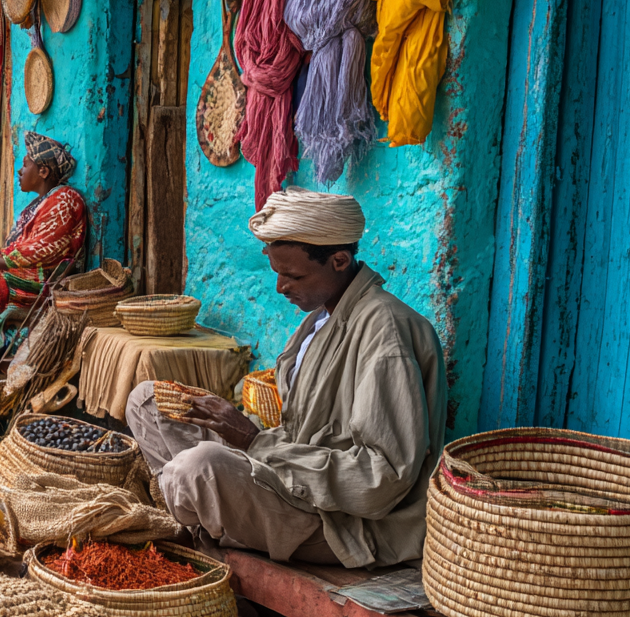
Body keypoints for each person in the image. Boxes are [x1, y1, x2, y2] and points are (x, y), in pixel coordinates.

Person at [126, 187, 447, 569]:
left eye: (293, 275)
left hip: (341, 523)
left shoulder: (385, 331)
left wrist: (254, 443)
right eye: (277, 273)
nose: (281, 288)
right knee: (147, 401)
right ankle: (209, 519)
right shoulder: (320, 319)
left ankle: (205, 526)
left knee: (199, 467)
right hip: (289, 474)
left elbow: (382, 481)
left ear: (340, 260)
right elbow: (301, 433)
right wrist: (247, 435)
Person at [0, 131, 88, 367]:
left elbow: (46, 248)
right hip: (28, 274)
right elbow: (17, 247)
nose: (19, 171)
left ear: (43, 171)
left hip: (45, 280)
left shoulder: (65, 199)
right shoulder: (40, 204)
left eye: (25, 165)